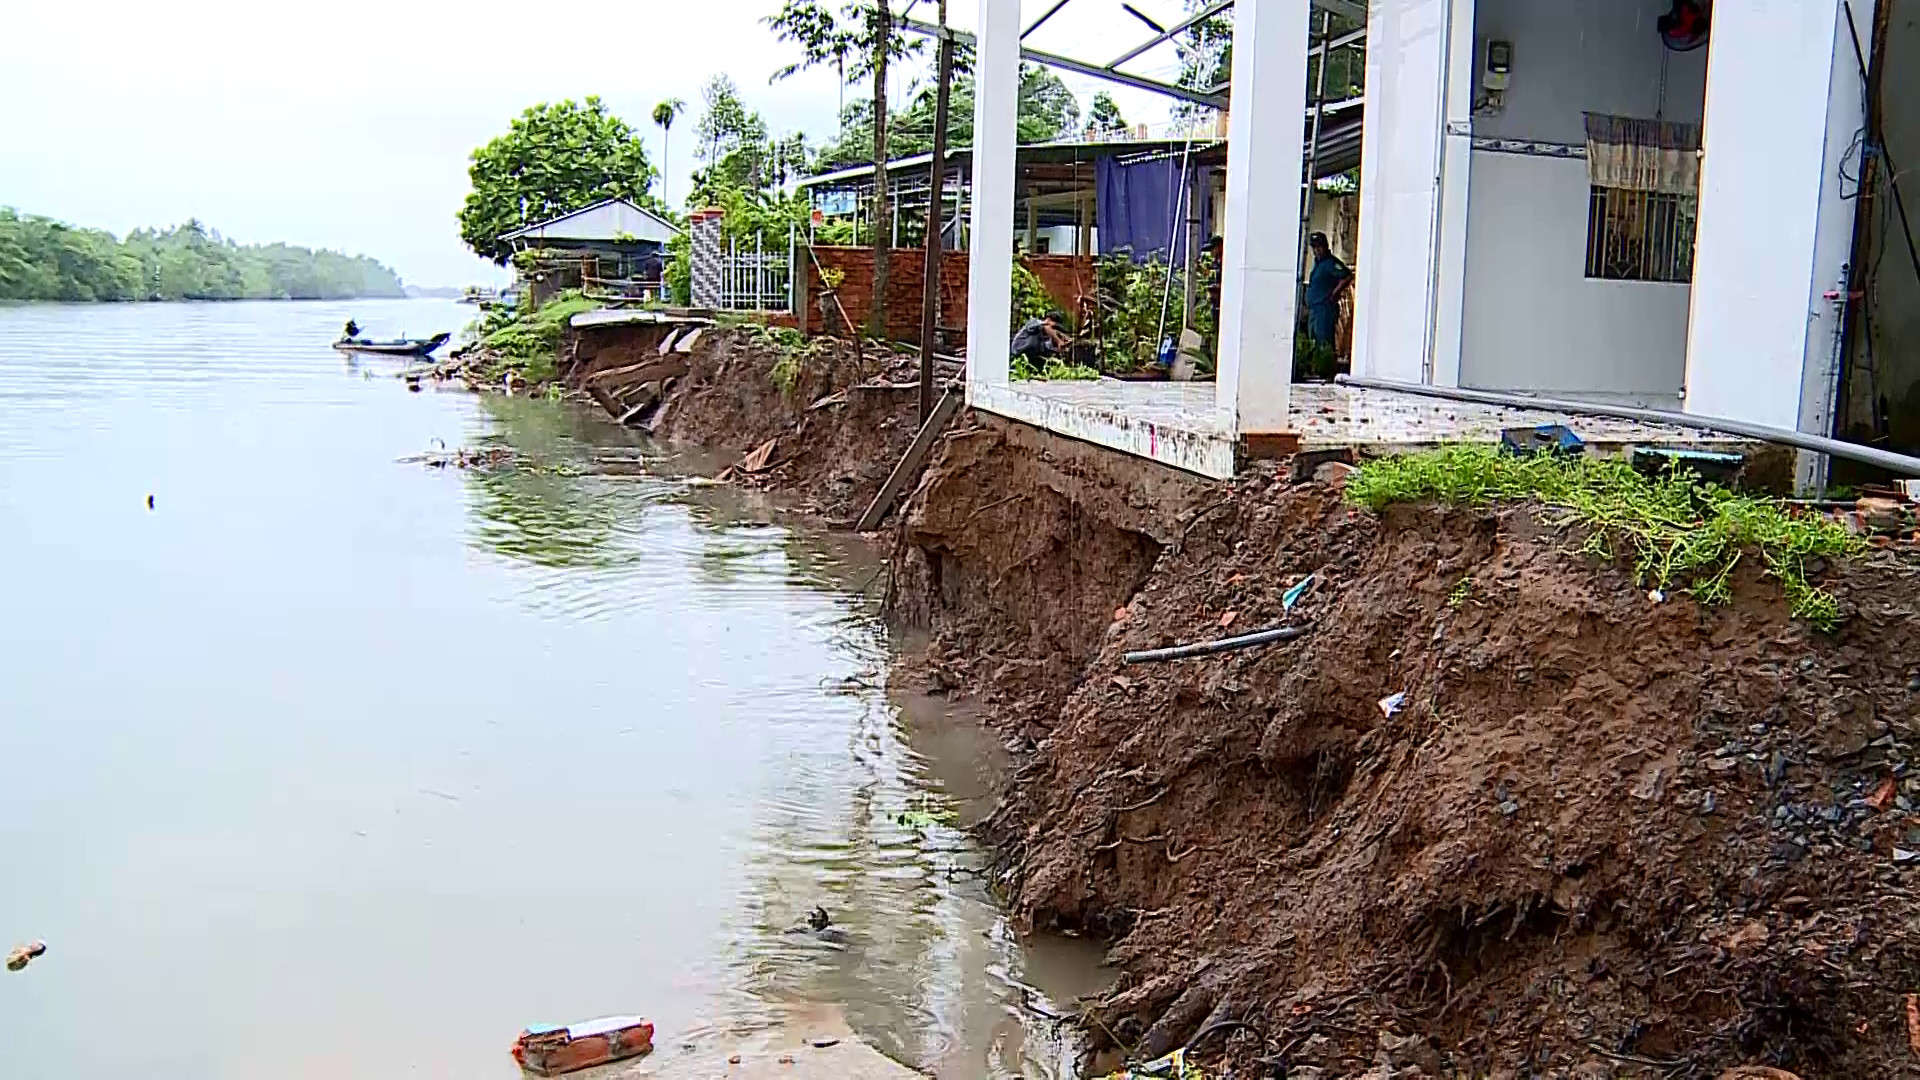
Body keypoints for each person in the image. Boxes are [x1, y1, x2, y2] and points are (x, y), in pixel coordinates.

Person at [1304, 232, 1352, 349]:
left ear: (1325, 247)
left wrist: (1334, 292)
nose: (1316, 251)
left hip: (1324, 309)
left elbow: (1347, 276)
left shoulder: (1330, 263)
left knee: (1323, 344)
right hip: (1313, 309)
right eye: (1314, 248)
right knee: (1313, 344)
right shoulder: (1318, 264)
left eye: (1319, 247)